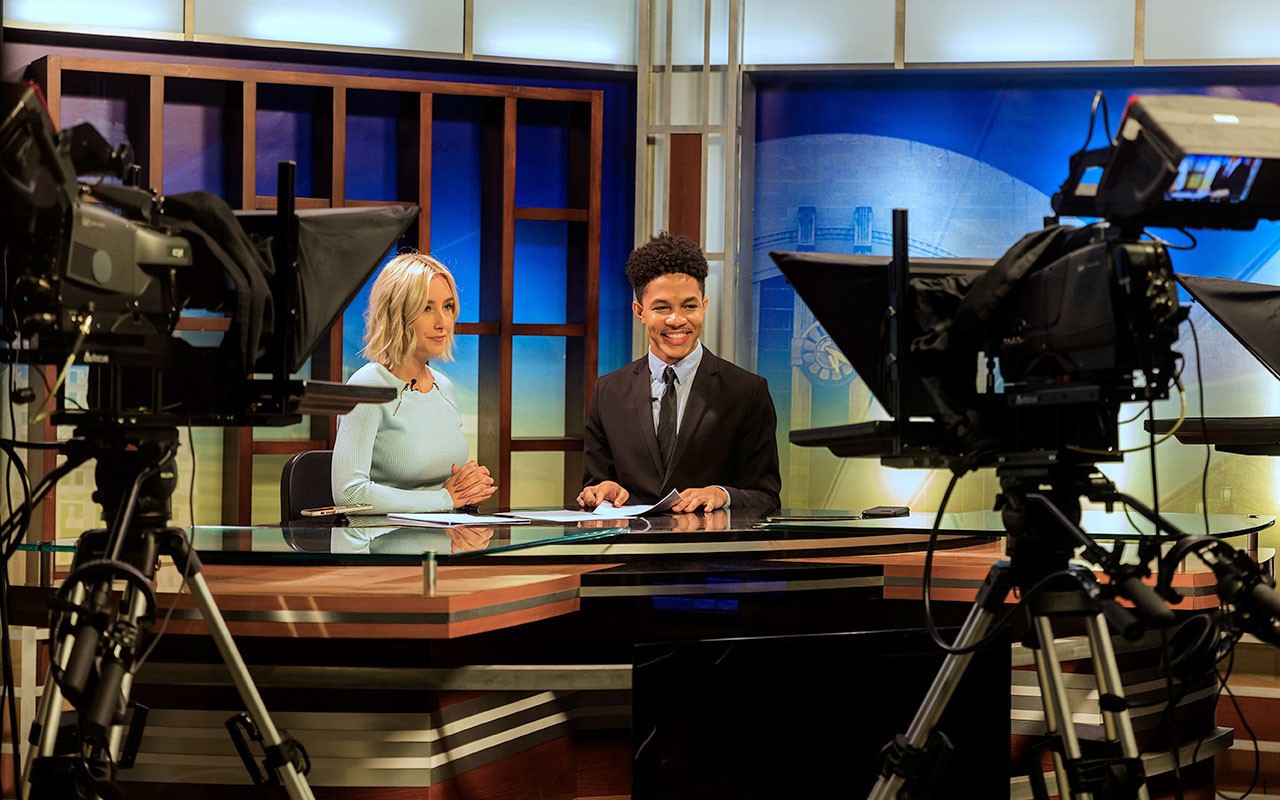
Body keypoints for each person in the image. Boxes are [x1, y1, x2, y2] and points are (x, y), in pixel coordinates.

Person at [578, 232, 781, 514]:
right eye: (662, 308)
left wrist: (723, 495)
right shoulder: (608, 392)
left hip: (710, 542)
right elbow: (595, 485)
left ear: (704, 306)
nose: (677, 320)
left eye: (689, 306)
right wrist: (603, 490)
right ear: (640, 311)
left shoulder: (746, 392)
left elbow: (767, 497)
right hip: (631, 541)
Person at [331, 253, 496, 514]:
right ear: (397, 314)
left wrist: (468, 489)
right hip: (382, 538)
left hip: (442, 535)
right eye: (427, 308)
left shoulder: (444, 386)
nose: (442, 323)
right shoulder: (368, 385)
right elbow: (350, 494)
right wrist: (444, 500)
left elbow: (444, 491)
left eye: (447, 307)